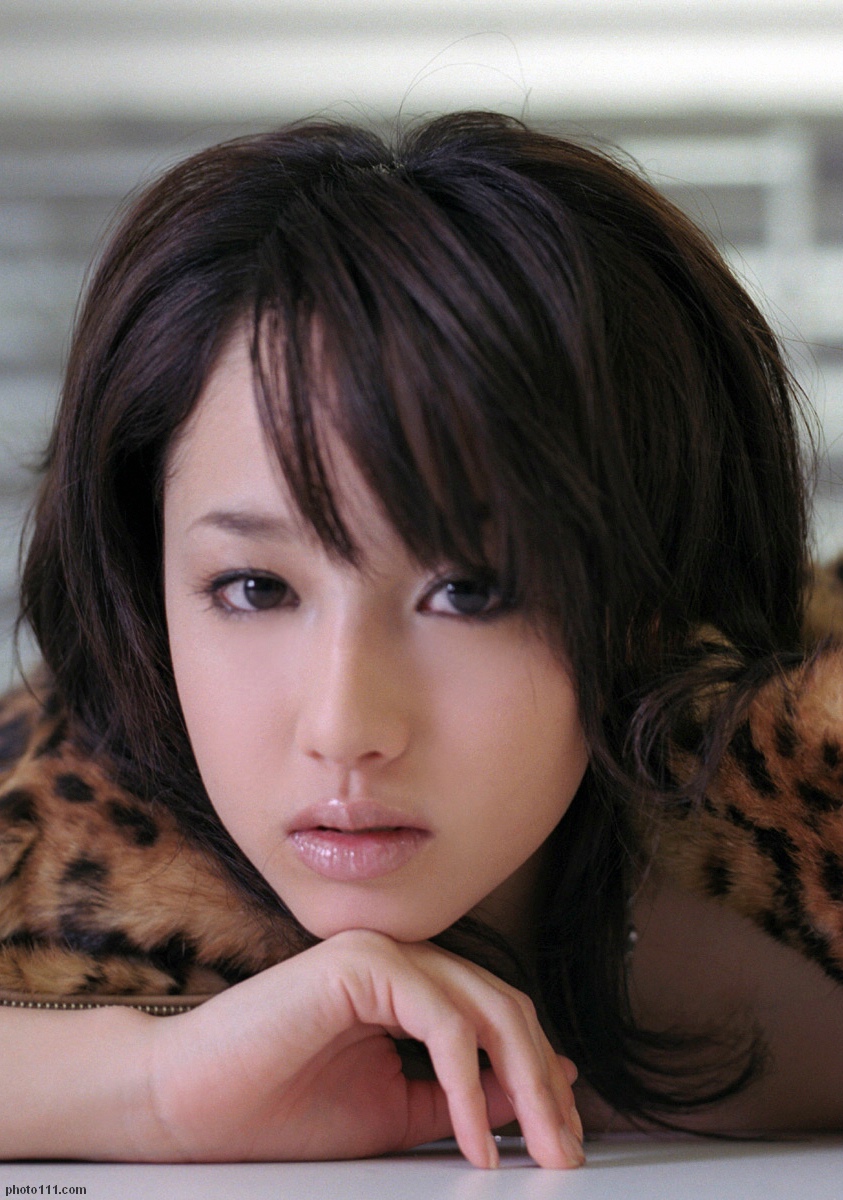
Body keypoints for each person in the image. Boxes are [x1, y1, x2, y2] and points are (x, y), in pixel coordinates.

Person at [2, 110, 842, 1168]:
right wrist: (155, 1089)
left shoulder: (794, 828)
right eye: (256, 587)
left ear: (650, 599)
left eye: (470, 593)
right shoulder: (59, 843)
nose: (343, 726)